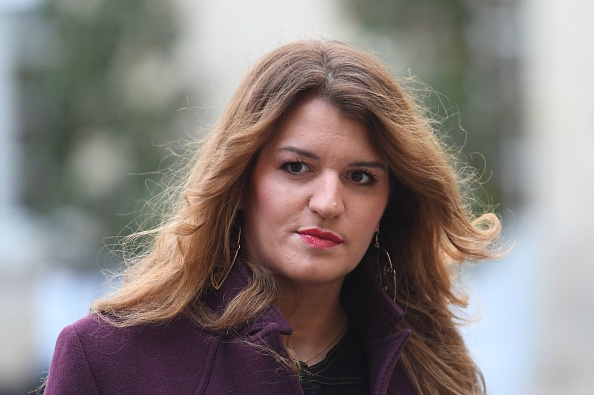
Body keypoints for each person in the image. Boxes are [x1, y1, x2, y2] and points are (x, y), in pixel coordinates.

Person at [44, 39, 502, 395]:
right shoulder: (110, 360)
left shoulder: (431, 369)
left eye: (360, 177)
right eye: (296, 168)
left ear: (390, 203)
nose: (327, 202)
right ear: (241, 182)